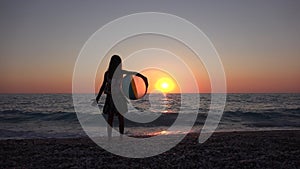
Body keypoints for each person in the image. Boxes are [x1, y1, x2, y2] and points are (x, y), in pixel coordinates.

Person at [96, 55, 148, 140]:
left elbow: (132, 73)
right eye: (115, 62)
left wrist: (142, 77)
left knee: (121, 118)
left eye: (118, 62)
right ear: (112, 63)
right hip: (110, 98)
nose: (117, 64)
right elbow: (102, 86)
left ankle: (121, 137)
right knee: (110, 118)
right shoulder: (107, 74)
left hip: (119, 97)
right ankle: (109, 138)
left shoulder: (120, 72)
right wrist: (97, 99)